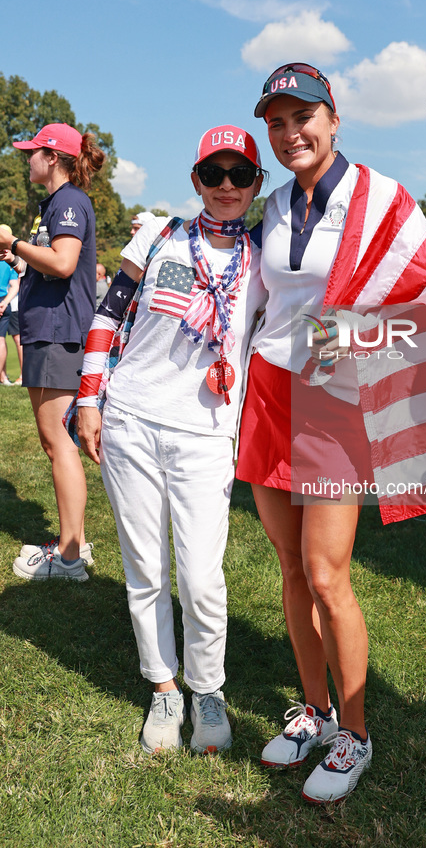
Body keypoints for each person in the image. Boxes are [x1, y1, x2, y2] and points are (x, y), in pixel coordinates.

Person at [236, 63, 426, 804]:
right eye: (277, 121)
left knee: (327, 574)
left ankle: (353, 729)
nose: (292, 133)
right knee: (290, 569)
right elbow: (260, 303)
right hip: (269, 391)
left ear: (333, 117)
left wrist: (353, 341)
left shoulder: (381, 200)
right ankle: (314, 711)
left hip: (334, 402)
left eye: (304, 117)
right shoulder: (271, 206)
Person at [76, 125, 266, 755]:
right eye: (215, 174)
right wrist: (88, 397)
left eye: (241, 174)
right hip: (132, 417)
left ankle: (207, 690)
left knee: (203, 578)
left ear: (257, 183)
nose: (227, 186)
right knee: (145, 570)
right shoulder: (157, 234)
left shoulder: (266, 258)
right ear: (196, 181)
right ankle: (163, 689)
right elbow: (109, 314)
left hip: (206, 433)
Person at [0, 123, 105, 579]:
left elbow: (63, 264)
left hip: (59, 334)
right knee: (54, 442)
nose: (28, 161)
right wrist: (20, 259)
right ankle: (73, 542)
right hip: (50, 331)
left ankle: (68, 557)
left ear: (54, 157)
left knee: (56, 441)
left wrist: (12, 242)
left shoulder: (68, 202)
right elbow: (53, 263)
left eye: (33, 154)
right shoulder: (60, 203)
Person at [0, 262, 19, 385]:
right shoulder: (8, 263)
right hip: (4, 302)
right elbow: (15, 285)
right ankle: (2, 377)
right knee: (1, 340)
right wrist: (5, 303)